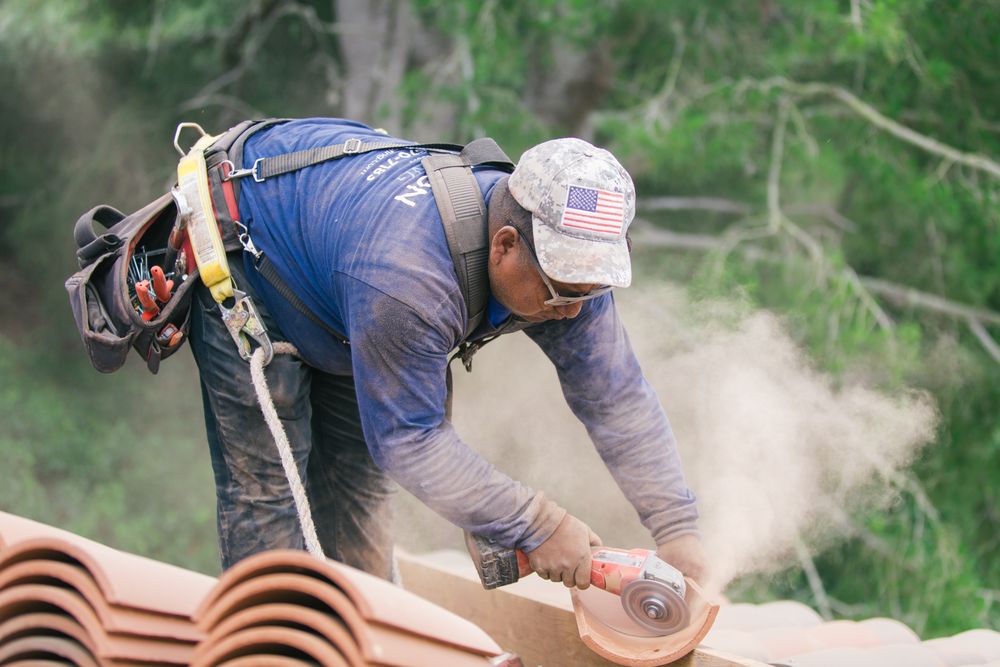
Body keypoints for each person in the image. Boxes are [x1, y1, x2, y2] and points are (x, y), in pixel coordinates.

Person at [188, 117, 705, 589]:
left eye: (588, 292)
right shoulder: (409, 281)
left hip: (346, 283)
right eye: (562, 292)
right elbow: (409, 439)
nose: (573, 312)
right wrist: (537, 523)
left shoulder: (569, 276)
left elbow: (615, 397)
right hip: (245, 254)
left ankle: (364, 641)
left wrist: (678, 528)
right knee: (271, 496)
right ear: (505, 247)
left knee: (360, 494)